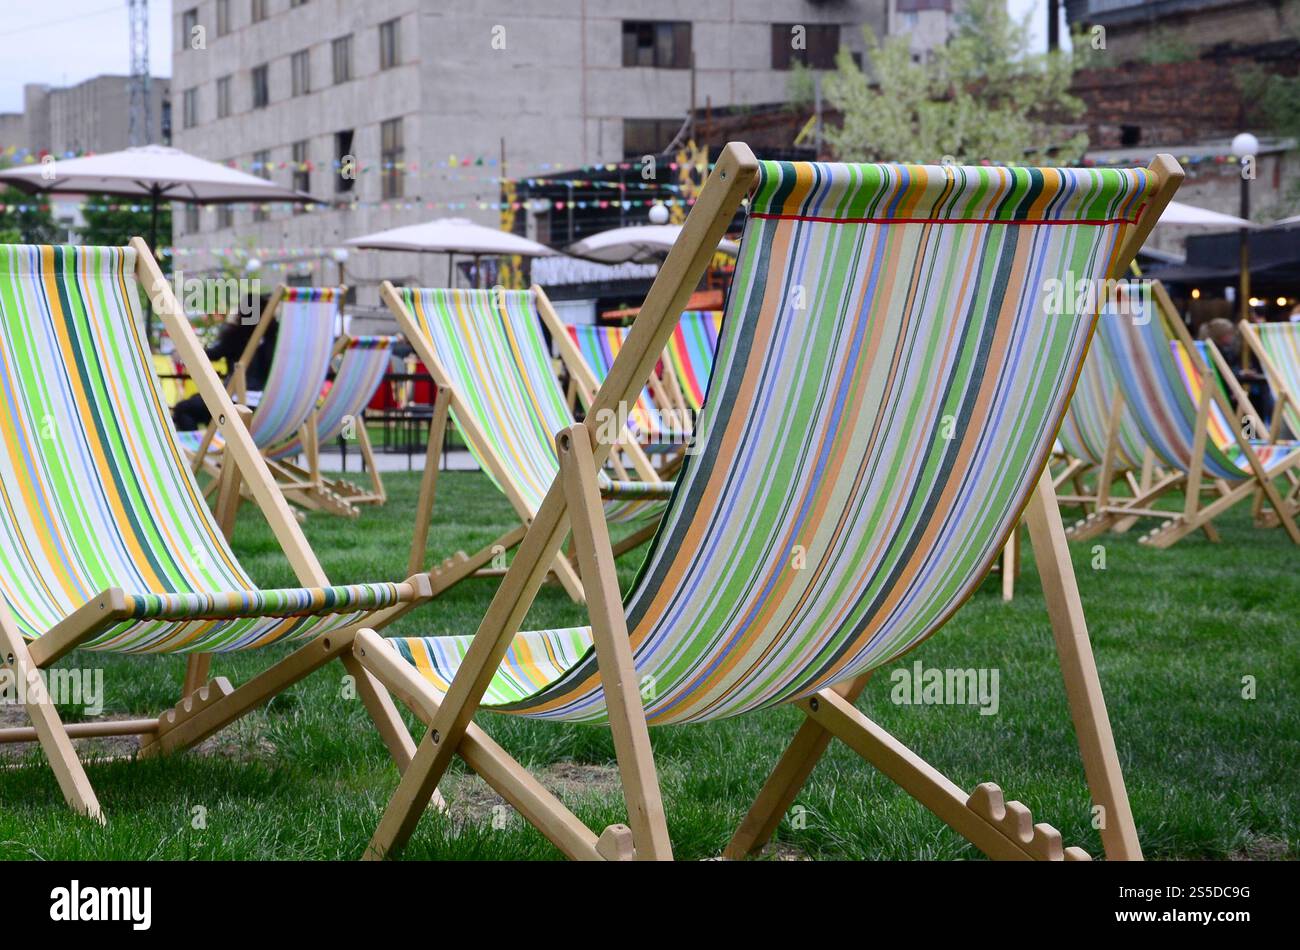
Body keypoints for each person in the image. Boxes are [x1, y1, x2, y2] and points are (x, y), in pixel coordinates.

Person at [172, 307, 278, 431]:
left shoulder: (236, 337)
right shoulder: (277, 342)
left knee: (183, 409)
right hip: (267, 408)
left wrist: (184, 353)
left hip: (234, 404)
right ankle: (217, 442)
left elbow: (208, 355)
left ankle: (203, 446)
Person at [1200, 317, 1273, 425]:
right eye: (1230, 334)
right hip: (1228, 394)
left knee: (1250, 405)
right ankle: (1249, 438)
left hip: (1230, 392)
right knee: (1249, 407)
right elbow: (1221, 374)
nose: (1232, 336)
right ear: (1221, 336)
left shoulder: (1220, 350)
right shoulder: (1216, 352)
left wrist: (1240, 373)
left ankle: (1249, 437)